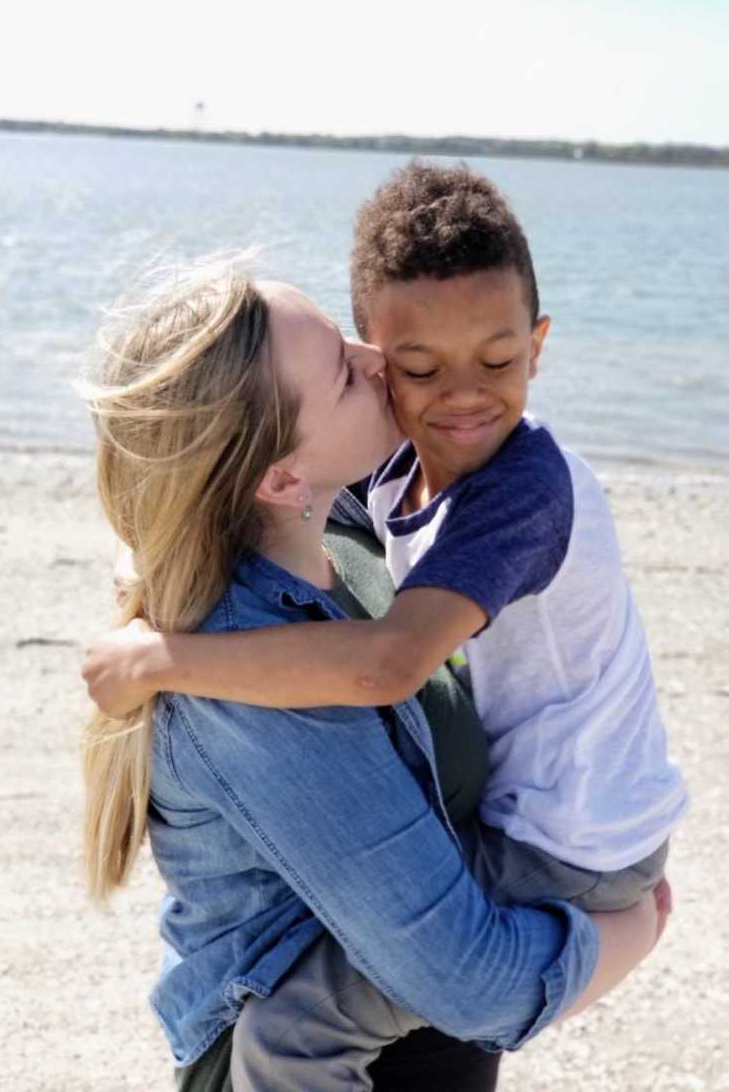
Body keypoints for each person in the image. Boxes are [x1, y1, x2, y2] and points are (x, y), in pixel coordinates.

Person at [80, 257, 669, 1092]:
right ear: (282, 477)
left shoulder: (350, 534)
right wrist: (631, 934)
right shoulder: (254, 683)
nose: (376, 359)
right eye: (341, 372)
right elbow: (475, 983)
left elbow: (178, 494)